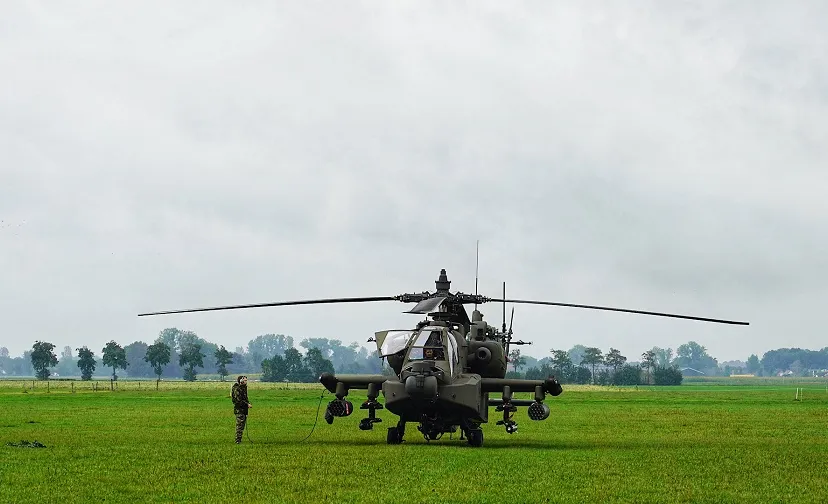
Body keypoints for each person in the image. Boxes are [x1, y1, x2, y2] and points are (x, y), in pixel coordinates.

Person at [231, 375, 252, 444]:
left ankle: (239, 439)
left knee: (242, 426)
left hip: (243, 409)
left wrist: (248, 403)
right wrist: (247, 404)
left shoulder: (243, 388)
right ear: (241, 381)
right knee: (239, 426)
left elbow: (245, 398)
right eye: (245, 380)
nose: (246, 382)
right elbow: (238, 400)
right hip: (239, 409)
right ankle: (238, 440)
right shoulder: (237, 389)